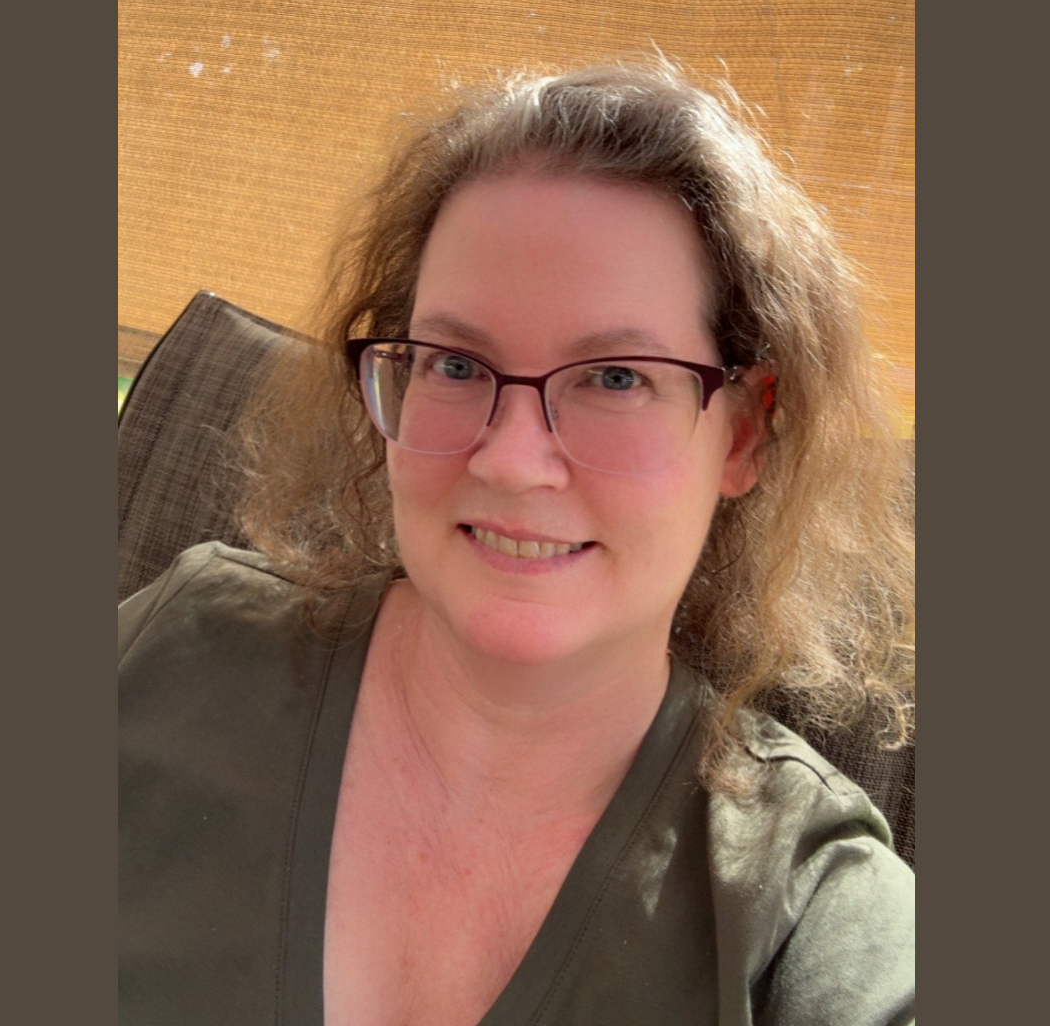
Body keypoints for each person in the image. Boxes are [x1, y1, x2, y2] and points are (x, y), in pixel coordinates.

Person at [119, 61, 915, 1025]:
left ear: (742, 431)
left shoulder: (805, 910)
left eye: (616, 377)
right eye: (457, 363)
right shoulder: (174, 649)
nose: (511, 461)